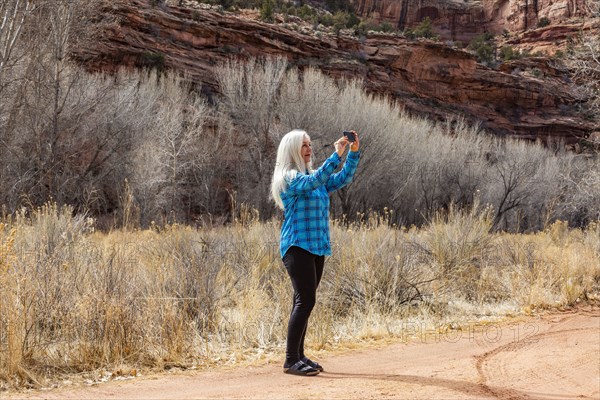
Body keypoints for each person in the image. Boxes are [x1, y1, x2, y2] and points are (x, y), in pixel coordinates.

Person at [270, 129, 361, 376]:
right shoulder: (289, 177)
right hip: (297, 245)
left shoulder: (314, 176)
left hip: (316, 246)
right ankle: (290, 361)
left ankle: (299, 356)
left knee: (302, 301)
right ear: (292, 150)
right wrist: (335, 155)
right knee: (306, 301)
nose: (309, 149)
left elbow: (342, 179)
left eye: (310, 144)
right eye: (304, 146)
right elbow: (313, 182)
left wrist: (352, 153)